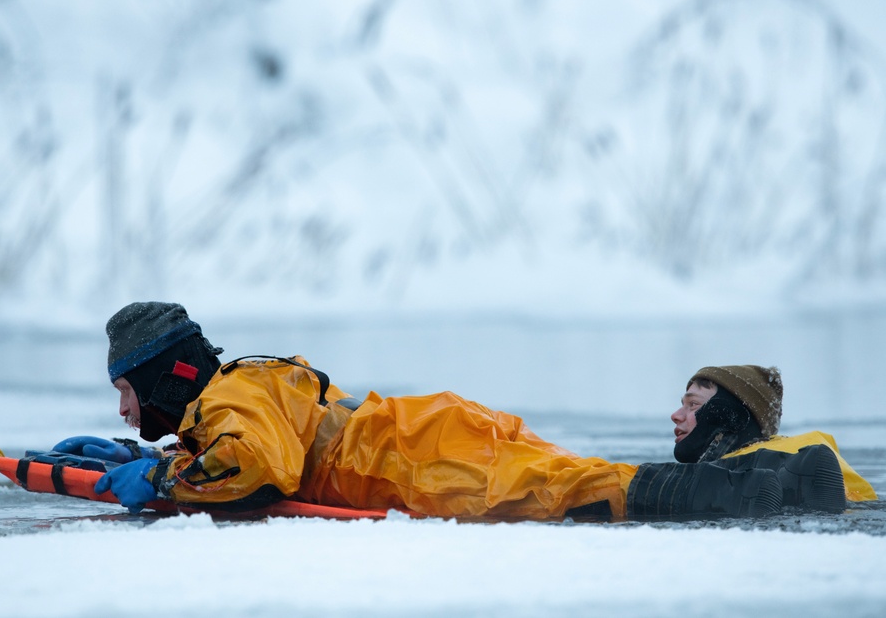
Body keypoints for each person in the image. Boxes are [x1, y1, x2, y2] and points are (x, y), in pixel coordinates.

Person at [54, 302, 855, 521]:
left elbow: (258, 466)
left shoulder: (227, 396)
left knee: (575, 491)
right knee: (575, 475)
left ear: (166, 376)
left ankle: (763, 487)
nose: (123, 408)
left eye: (127, 389)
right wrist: (160, 457)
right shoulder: (244, 382)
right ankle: (773, 477)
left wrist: (162, 472)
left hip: (415, 459)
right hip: (424, 432)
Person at [670, 365, 877, 505]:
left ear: (731, 416)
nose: (676, 416)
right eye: (682, 405)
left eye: (693, 404)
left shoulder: (783, 461)